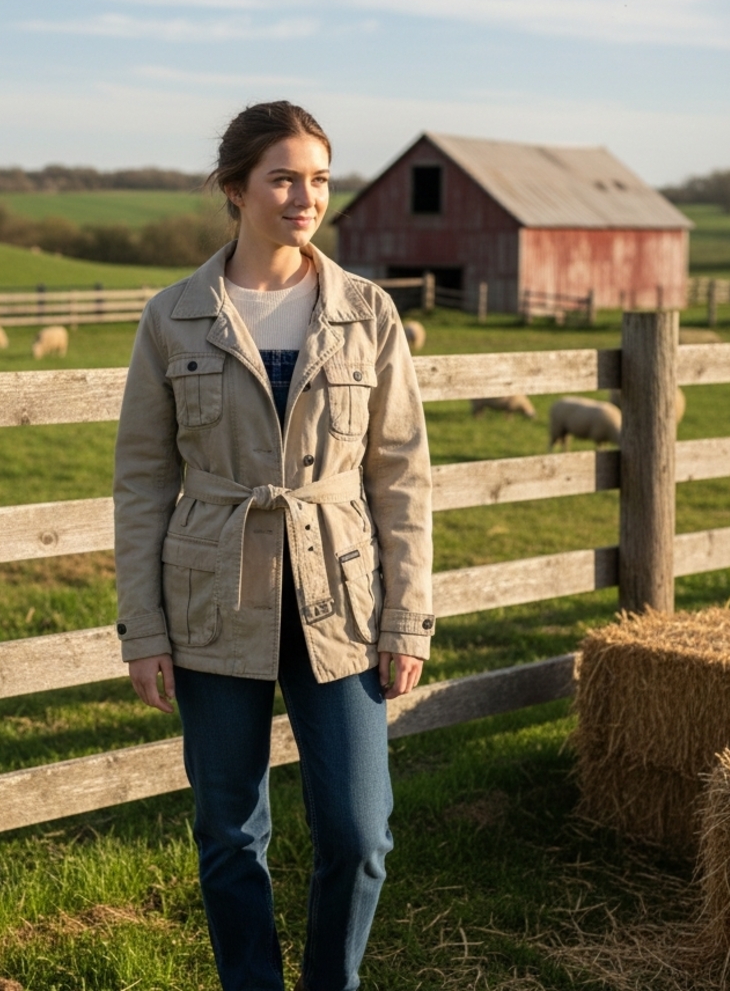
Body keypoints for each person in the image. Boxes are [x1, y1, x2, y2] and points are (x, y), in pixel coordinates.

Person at [113, 101, 434, 991]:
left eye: (319, 179)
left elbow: (402, 478)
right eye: (284, 178)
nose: (306, 197)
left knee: (360, 835)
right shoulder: (173, 317)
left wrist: (407, 617)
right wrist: (143, 630)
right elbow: (142, 484)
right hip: (213, 598)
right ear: (235, 188)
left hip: (344, 599)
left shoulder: (367, 312)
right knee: (229, 833)